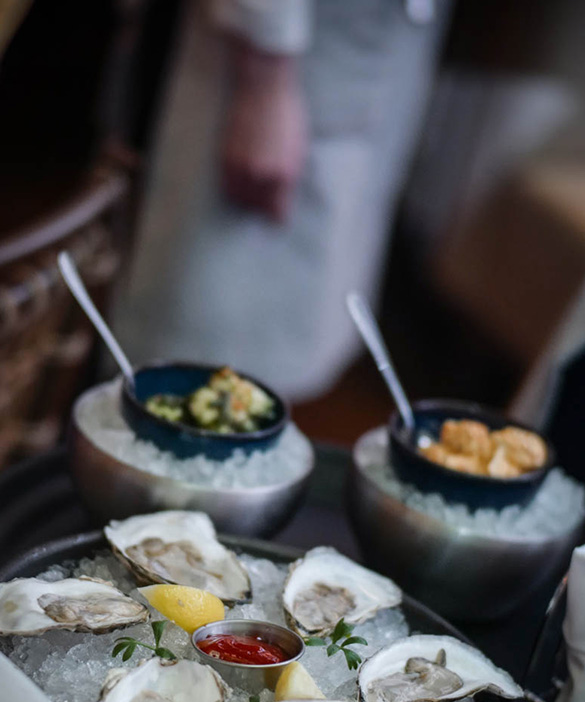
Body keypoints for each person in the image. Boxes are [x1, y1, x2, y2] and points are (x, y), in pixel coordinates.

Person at [112, 0, 452, 402]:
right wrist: (265, 78)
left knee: (273, 362)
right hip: (274, 59)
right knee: (193, 339)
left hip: (365, 58)